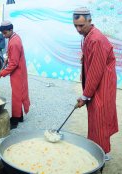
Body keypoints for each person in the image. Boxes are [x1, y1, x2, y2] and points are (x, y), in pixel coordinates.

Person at [73, 7, 118, 160]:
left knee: (100, 117)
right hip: (97, 80)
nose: (78, 29)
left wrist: (85, 96)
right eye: (76, 26)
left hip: (103, 83)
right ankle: (97, 150)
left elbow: (96, 71)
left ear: (90, 21)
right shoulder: (87, 35)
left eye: (81, 25)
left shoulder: (96, 39)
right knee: (95, 117)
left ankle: (101, 156)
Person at [0, 21, 30, 129]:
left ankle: (15, 120)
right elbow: (12, 56)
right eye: (2, 33)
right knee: (18, 93)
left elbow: (14, 64)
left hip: (18, 71)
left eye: (5, 33)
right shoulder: (14, 37)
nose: (3, 35)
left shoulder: (14, 42)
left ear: (11, 30)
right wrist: (7, 57)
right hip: (19, 70)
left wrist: (1, 73)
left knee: (16, 95)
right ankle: (19, 116)